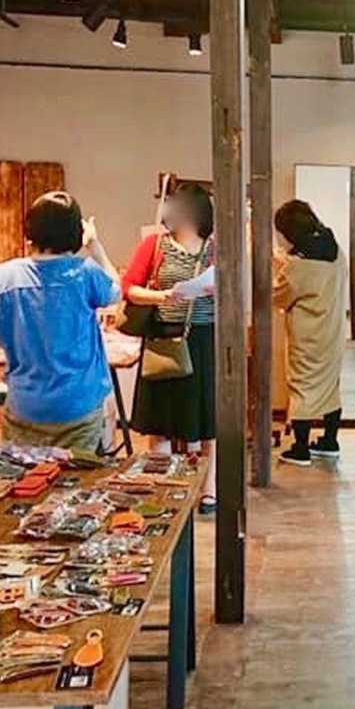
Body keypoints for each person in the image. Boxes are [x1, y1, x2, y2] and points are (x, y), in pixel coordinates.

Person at [0, 191, 121, 453]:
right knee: (78, 477)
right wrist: (95, 246)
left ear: (30, 229)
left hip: (24, 405)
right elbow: (116, 291)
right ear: (76, 233)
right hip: (78, 404)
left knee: (25, 475)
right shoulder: (85, 272)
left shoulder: (2, 276)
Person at [123, 184, 217, 512]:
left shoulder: (215, 249)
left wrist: (216, 291)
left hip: (203, 340)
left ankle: (209, 490)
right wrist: (161, 296)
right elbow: (129, 288)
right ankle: (160, 487)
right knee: (160, 421)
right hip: (163, 339)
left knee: (208, 422)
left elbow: (237, 292)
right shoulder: (154, 244)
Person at [272, 200, 348, 467]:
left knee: (302, 386)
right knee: (330, 386)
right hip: (333, 332)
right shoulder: (335, 250)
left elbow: (279, 297)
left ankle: (301, 448)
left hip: (308, 335)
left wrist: (279, 268)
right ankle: (329, 441)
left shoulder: (299, 265)